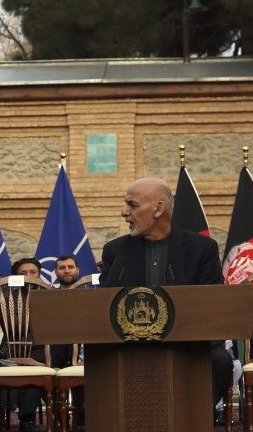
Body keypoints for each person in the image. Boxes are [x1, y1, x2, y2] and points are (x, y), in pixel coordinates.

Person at [99, 176, 233, 410]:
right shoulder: (115, 251)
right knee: (100, 360)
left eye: (132, 205)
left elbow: (214, 303)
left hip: (188, 342)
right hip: (130, 344)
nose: (123, 212)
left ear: (158, 208)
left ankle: (195, 419)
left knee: (220, 361)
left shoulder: (201, 248)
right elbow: (102, 303)